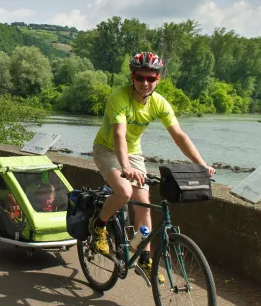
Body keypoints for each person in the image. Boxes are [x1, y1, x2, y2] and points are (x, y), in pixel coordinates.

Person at [90, 52, 215, 278]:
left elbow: (178, 135)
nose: (145, 83)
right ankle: (99, 225)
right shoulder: (119, 97)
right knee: (125, 191)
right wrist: (125, 167)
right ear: (132, 77)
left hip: (134, 152)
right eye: (140, 78)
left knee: (144, 202)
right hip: (107, 149)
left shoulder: (159, 103)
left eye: (151, 78)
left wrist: (202, 165)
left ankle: (145, 258)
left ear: (158, 79)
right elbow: (119, 134)